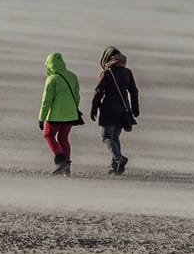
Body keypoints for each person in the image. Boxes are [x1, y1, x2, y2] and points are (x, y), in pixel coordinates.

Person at [90, 45, 141, 174]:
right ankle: (115, 166)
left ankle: (119, 158)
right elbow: (134, 91)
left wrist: (94, 107)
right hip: (124, 110)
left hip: (109, 109)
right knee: (115, 137)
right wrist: (135, 108)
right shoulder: (128, 72)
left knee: (106, 136)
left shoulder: (107, 72)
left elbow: (98, 91)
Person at [37, 52, 83, 176]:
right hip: (71, 114)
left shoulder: (52, 79)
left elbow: (46, 101)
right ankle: (67, 168)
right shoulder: (72, 76)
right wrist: (73, 110)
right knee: (63, 138)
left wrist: (41, 118)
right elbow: (77, 96)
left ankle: (61, 161)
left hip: (56, 115)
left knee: (48, 135)